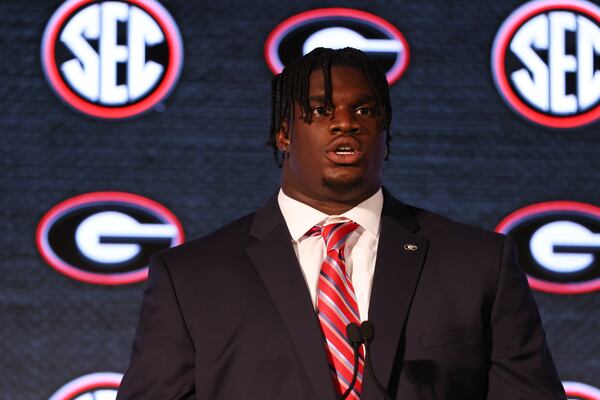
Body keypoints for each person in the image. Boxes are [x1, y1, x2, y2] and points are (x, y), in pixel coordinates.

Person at [117, 47, 567, 399]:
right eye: (321, 111)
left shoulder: (478, 265)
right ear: (284, 133)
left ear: (385, 132)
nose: (345, 124)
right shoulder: (192, 278)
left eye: (364, 111)